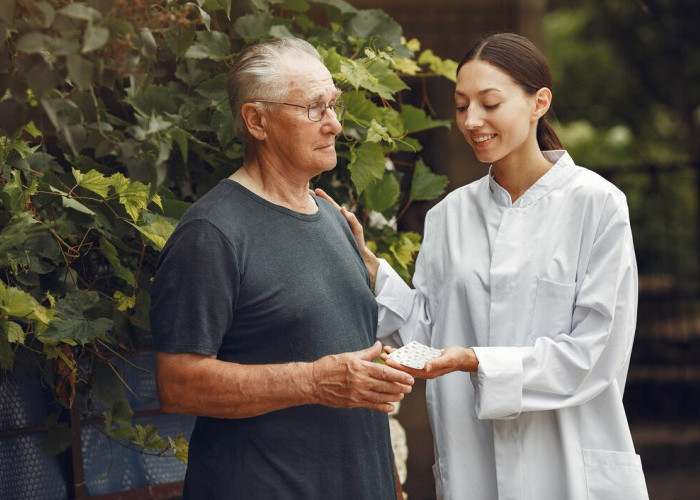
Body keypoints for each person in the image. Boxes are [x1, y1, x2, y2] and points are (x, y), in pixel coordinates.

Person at [318, 33, 649, 499]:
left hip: (569, 466)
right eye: (461, 106)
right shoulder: (448, 216)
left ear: (539, 103)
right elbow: (427, 338)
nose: (472, 121)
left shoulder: (596, 206)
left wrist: (476, 361)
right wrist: (370, 268)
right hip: (476, 466)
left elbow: (593, 354)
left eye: (490, 103)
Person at [149, 37, 414, 499]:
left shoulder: (333, 217)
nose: (333, 124)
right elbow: (178, 383)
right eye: (314, 108)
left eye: (334, 105)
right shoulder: (211, 233)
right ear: (257, 121)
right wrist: (312, 381)